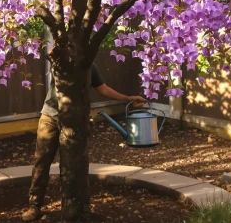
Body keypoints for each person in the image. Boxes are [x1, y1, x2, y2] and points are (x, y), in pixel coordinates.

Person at [22, 64, 146, 221]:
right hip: (50, 118)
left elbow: (103, 89)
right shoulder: (60, 61)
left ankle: (74, 206)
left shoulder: (90, 68)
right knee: (41, 162)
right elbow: (53, 53)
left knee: (73, 165)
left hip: (75, 121)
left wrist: (128, 98)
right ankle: (34, 206)